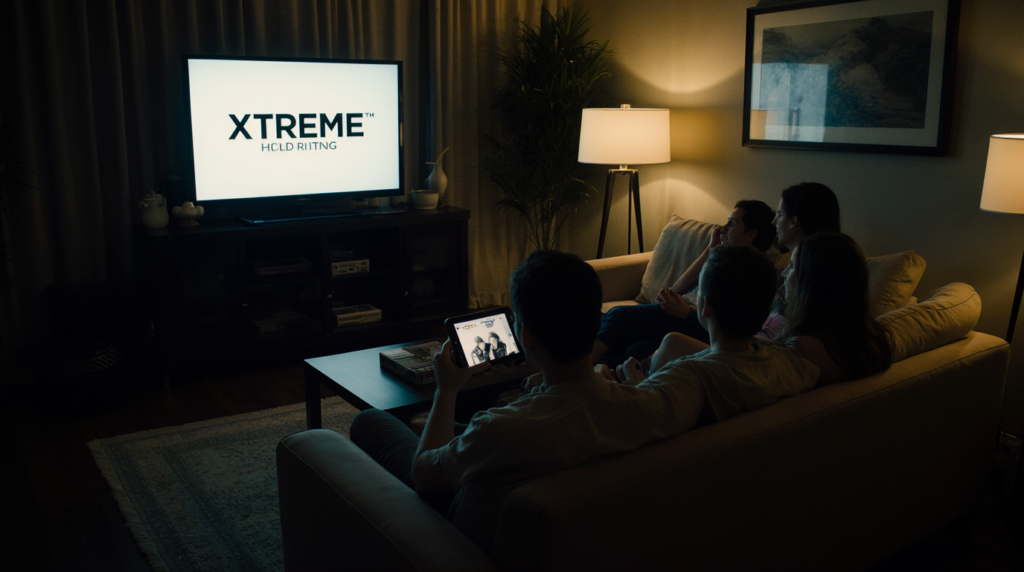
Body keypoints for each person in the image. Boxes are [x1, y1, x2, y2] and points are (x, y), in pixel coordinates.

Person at [646, 182, 842, 369]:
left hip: (738, 352)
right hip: (730, 341)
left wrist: (689, 314)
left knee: (660, 337)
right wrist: (709, 251)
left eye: (780, 214)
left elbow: (742, 335)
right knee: (643, 347)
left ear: (793, 222)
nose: (774, 222)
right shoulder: (788, 278)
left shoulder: (777, 278)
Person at [592, 199, 778, 366]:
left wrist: (687, 313)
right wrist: (709, 250)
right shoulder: (721, 259)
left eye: (732, 223)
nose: (723, 228)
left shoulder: (752, 274)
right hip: (679, 316)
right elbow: (675, 291)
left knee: (619, 315)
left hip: (698, 325)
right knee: (636, 349)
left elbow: (729, 326)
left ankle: (582, 371)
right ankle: (602, 367)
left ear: (751, 234)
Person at [776, 232, 891, 385]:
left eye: (791, 266)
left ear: (812, 280)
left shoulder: (801, 351)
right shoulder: (874, 342)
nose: (784, 272)